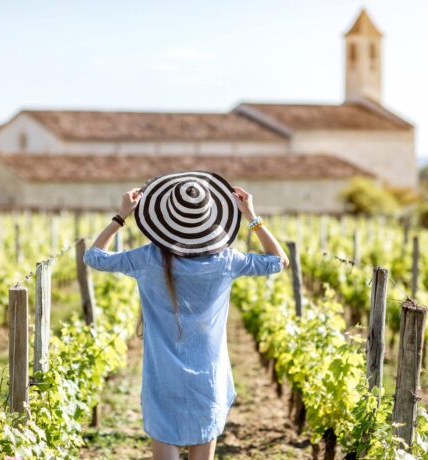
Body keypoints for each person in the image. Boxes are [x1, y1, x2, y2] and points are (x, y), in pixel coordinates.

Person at [83, 171, 289, 460]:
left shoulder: (147, 258)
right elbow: (279, 261)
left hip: (162, 379)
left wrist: (120, 216)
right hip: (209, 378)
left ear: (164, 222)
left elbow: (93, 257)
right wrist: (252, 217)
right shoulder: (226, 261)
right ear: (213, 219)